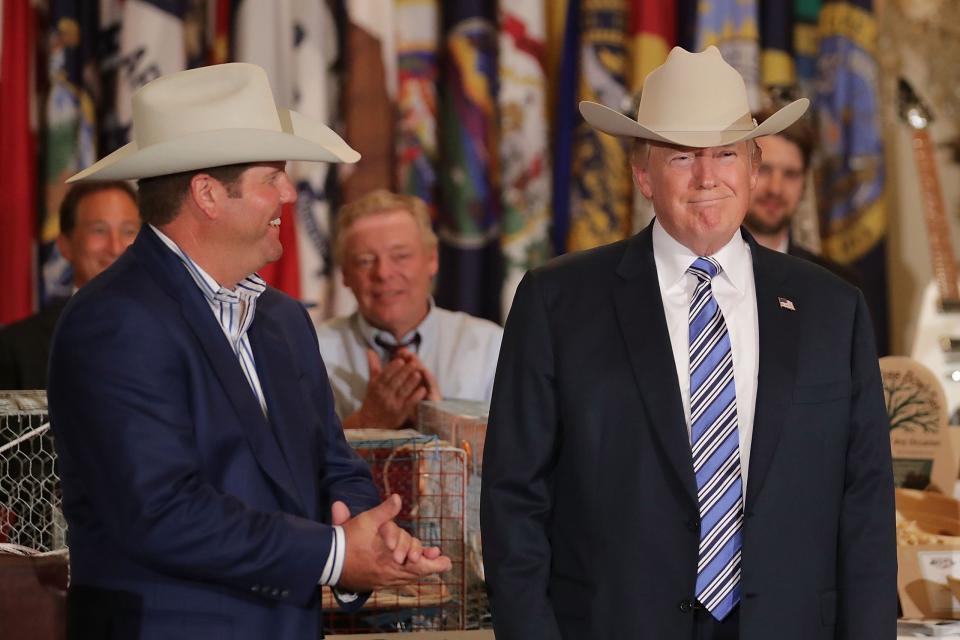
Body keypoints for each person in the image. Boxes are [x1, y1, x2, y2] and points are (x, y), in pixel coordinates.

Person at [481, 46, 895, 640]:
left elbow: (867, 508)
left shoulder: (834, 308)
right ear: (642, 174)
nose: (707, 177)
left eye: (725, 154)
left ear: (754, 167)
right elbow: (514, 500)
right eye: (682, 157)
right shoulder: (558, 302)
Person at [48, 63, 450, 640]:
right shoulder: (114, 320)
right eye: (273, 176)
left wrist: (372, 536)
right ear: (208, 194)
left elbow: (333, 465)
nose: (290, 192)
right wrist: (338, 554)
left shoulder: (284, 320)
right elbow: (161, 512)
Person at [316, 189, 502, 429]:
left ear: (432, 260)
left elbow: (517, 453)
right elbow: (296, 462)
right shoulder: (312, 351)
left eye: (400, 256)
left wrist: (440, 423)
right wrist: (367, 423)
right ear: (344, 274)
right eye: (365, 261)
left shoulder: (490, 347)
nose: (383, 273)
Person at [0, 181, 140, 389]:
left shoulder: (181, 331)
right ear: (65, 245)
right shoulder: (18, 347)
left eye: (128, 231)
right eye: (99, 230)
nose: (116, 247)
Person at [744, 110, 861, 285]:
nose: (775, 189)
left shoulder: (838, 287)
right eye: (764, 170)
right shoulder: (702, 277)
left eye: (790, 174)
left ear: (805, 184)